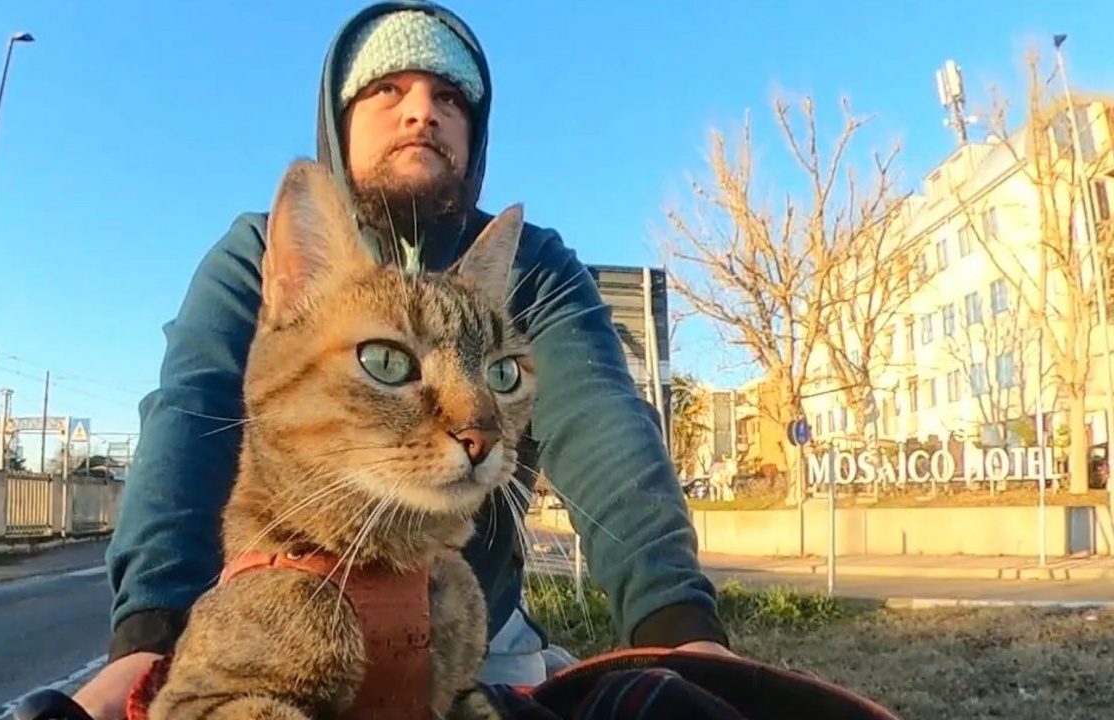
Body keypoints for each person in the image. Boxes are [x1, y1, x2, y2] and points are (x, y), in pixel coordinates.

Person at [73, 2, 734, 718]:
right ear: (338, 119)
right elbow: (187, 419)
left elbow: (604, 424)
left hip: (473, 621)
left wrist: (680, 629)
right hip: (264, 599)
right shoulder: (266, 251)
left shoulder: (530, 264)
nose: (423, 111)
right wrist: (146, 637)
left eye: (451, 97)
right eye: (389, 89)